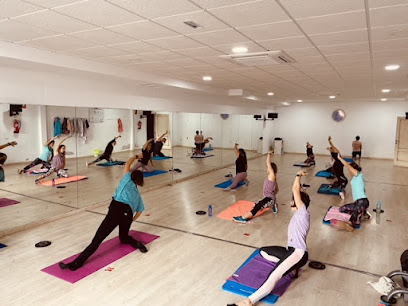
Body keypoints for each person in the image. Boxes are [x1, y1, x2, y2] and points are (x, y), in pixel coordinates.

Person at [228, 171, 310, 306]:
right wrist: (300, 187)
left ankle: (248, 301)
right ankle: (291, 268)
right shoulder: (302, 214)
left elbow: (295, 190)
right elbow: (298, 192)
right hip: (292, 252)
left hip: (298, 253)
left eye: (293, 199)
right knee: (263, 251)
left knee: (273, 276)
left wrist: (298, 175)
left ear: (295, 202)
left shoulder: (303, 213)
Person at [59, 155, 148, 271]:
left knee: (97, 240)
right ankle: (138, 244)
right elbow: (140, 210)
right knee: (124, 237)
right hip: (128, 214)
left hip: (116, 209)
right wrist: (130, 219)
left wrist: (136, 156)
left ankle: (76, 264)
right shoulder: (137, 195)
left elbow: (127, 165)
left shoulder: (126, 179)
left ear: (132, 176)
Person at [233, 150, 278, 222]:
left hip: (269, 198)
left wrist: (269, 154)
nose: (267, 169)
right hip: (269, 198)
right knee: (256, 204)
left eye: (268, 168)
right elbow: (277, 190)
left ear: (271, 169)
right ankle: (273, 205)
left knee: (257, 207)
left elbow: (268, 163)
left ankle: (244, 218)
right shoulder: (273, 178)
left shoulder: (271, 176)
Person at [335, 154, 370, 232]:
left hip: (361, 202)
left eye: (350, 170)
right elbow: (363, 190)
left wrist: (340, 159)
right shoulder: (358, 178)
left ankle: (351, 224)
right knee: (344, 209)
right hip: (360, 203)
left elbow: (347, 165)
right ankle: (362, 212)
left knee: (349, 213)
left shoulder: (358, 175)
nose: (349, 172)